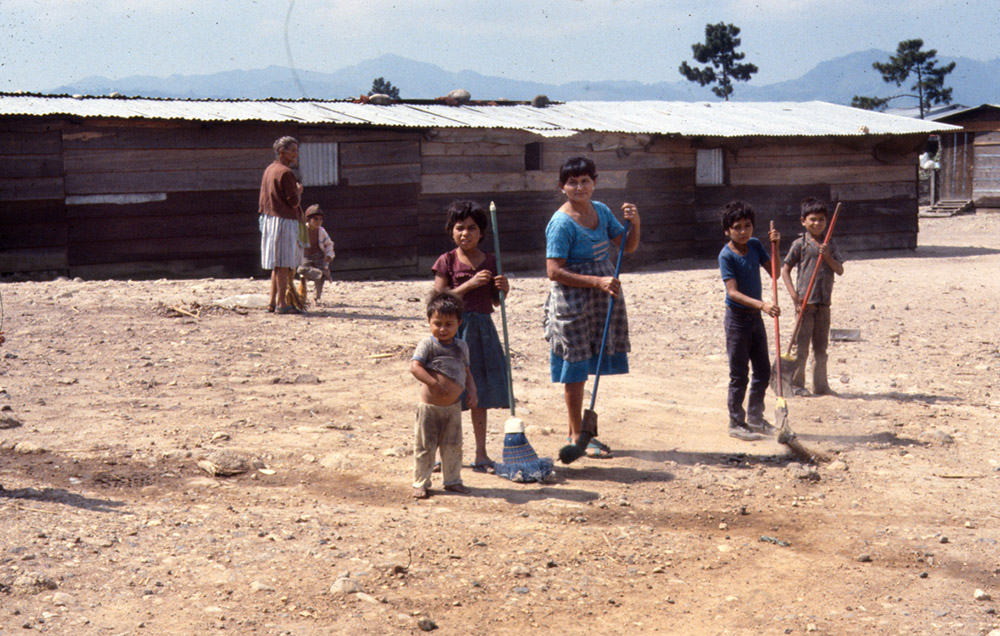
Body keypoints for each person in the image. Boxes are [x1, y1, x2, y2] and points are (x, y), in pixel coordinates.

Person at [544, 156, 640, 459]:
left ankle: (584, 433)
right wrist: (596, 281)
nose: (579, 187)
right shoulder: (560, 223)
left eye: (585, 181)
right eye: (572, 182)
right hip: (572, 302)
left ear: (594, 183)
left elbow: (628, 246)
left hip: (600, 296)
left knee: (588, 363)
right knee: (575, 368)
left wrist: (635, 222)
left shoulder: (601, 211)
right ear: (562, 187)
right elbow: (554, 271)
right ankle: (575, 435)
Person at [432, 200, 510, 474]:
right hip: (453, 333)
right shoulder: (447, 260)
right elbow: (438, 300)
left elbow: (496, 302)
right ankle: (444, 453)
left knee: (481, 394)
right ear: (451, 231)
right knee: (449, 392)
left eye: (472, 228)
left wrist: (503, 288)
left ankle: (481, 454)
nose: (466, 233)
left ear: (482, 232)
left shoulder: (491, 259)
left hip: (483, 333)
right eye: (460, 228)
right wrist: (468, 284)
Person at [718, 200, 781, 441]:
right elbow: (732, 292)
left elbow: (774, 271)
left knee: (763, 371)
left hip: (756, 318)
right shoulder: (726, 255)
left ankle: (755, 418)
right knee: (739, 374)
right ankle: (736, 422)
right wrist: (763, 304)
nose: (743, 231)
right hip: (737, 321)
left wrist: (775, 246)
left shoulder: (754, 245)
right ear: (727, 230)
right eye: (737, 227)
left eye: (747, 226)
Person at [410, 291, 477, 499]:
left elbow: (467, 372)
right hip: (430, 407)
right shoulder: (428, 345)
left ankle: (453, 481)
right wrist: (434, 383)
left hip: (453, 408)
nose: (443, 329)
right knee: (425, 446)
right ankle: (420, 482)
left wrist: (472, 391)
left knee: (453, 445)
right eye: (437, 323)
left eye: (449, 324)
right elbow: (415, 367)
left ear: (459, 323)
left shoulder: (462, 346)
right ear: (429, 321)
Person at [780, 197, 845, 396]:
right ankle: (797, 385)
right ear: (803, 221)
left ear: (827, 222)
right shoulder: (800, 244)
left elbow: (840, 270)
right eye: (813, 220)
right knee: (801, 347)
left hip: (824, 303)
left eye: (821, 220)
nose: (817, 224)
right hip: (805, 303)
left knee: (821, 348)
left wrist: (827, 257)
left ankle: (821, 386)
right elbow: (785, 270)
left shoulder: (830, 244)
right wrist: (794, 297)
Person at [259, 136, 305, 314]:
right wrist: (299, 191)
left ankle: (272, 303)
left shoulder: (269, 170)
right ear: (282, 152)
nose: (296, 154)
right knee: (284, 264)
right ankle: (281, 304)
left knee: (277, 265)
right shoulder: (286, 173)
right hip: (284, 222)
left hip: (270, 220)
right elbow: (293, 202)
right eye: (293, 150)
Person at [297, 204, 335, 303]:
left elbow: (329, 244)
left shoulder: (322, 231)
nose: (318, 222)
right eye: (315, 219)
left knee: (320, 278)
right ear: (308, 219)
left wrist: (329, 255)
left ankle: (316, 298)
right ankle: (302, 296)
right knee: (301, 271)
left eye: (320, 219)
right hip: (305, 256)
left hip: (318, 256)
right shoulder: (302, 230)